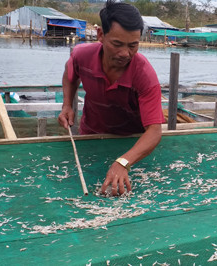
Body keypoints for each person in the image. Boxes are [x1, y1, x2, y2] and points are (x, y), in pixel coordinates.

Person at [58, 0, 165, 196]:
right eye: (117, 44)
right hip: (91, 134)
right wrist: (67, 104)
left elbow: (155, 130)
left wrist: (124, 162)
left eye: (133, 45)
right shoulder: (82, 55)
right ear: (100, 35)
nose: (125, 53)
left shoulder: (144, 74)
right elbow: (69, 74)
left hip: (131, 141)